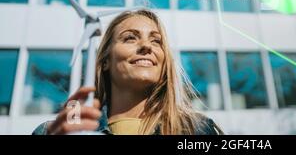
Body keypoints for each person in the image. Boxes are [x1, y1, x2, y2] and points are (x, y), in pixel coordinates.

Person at [32, 9, 223, 135]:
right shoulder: (54, 132)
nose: (147, 46)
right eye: (130, 38)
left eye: (156, 41)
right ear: (105, 60)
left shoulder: (197, 129)